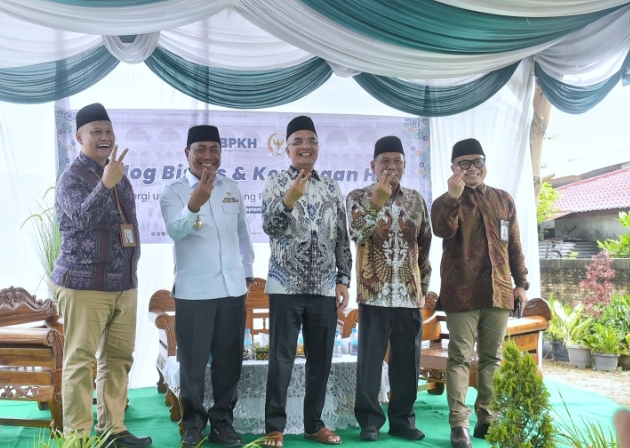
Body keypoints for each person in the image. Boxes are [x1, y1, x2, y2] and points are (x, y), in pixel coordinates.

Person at [50, 103, 152, 448]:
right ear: (79, 137)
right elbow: (81, 219)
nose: (105, 136)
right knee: (80, 361)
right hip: (84, 284)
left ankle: (113, 430)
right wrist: (106, 184)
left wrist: (111, 180)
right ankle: (78, 437)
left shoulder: (118, 174)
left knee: (118, 359)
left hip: (123, 284)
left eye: (108, 130)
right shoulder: (71, 178)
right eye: (96, 131)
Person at [160, 125, 255, 448]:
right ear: (187, 153)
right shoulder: (173, 192)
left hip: (232, 290)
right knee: (193, 365)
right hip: (194, 292)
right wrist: (194, 204)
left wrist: (247, 271)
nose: (208, 156)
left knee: (229, 363)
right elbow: (176, 231)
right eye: (200, 149)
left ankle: (223, 423)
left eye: (214, 149)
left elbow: (242, 233)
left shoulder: (231, 188)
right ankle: (193, 424)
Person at [430, 138, 528, 448]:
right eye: (464, 163)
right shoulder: (444, 201)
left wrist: (521, 284)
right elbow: (442, 230)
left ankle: (488, 419)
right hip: (462, 292)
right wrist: (453, 197)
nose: (472, 168)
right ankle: (459, 424)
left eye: (478, 161)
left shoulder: (503, 200)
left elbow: (514, 244)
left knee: (492, 358)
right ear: (453, 168)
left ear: (485, 163)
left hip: (499, 291)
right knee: (459, 358)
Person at [261, 115, 352, 447]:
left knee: (320, 360)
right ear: (287, 149)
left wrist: (343, 279)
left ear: (318, 148)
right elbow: (269, 227)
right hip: (285, 285)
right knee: (281, 359)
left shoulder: (331, 187)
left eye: (311, 141)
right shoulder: (274, 182)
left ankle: (314, 424)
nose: (305, 146)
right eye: (297, 141)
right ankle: (274, 426)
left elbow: (341, 237)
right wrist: (289, 199)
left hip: (324, 287)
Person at [346, 136, 432, 442]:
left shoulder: (416, 200)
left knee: (408, 363)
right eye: (385, 161)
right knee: (370, 362)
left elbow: (424, 245)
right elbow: (358, 233)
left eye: (397, 161)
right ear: (373, 165)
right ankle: (369, 422)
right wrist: (376, 203)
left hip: (409, 295)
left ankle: (403, 420)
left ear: (405, 166)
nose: (392, 166)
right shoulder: (358, 197)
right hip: (374, 294)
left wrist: (422, 286)